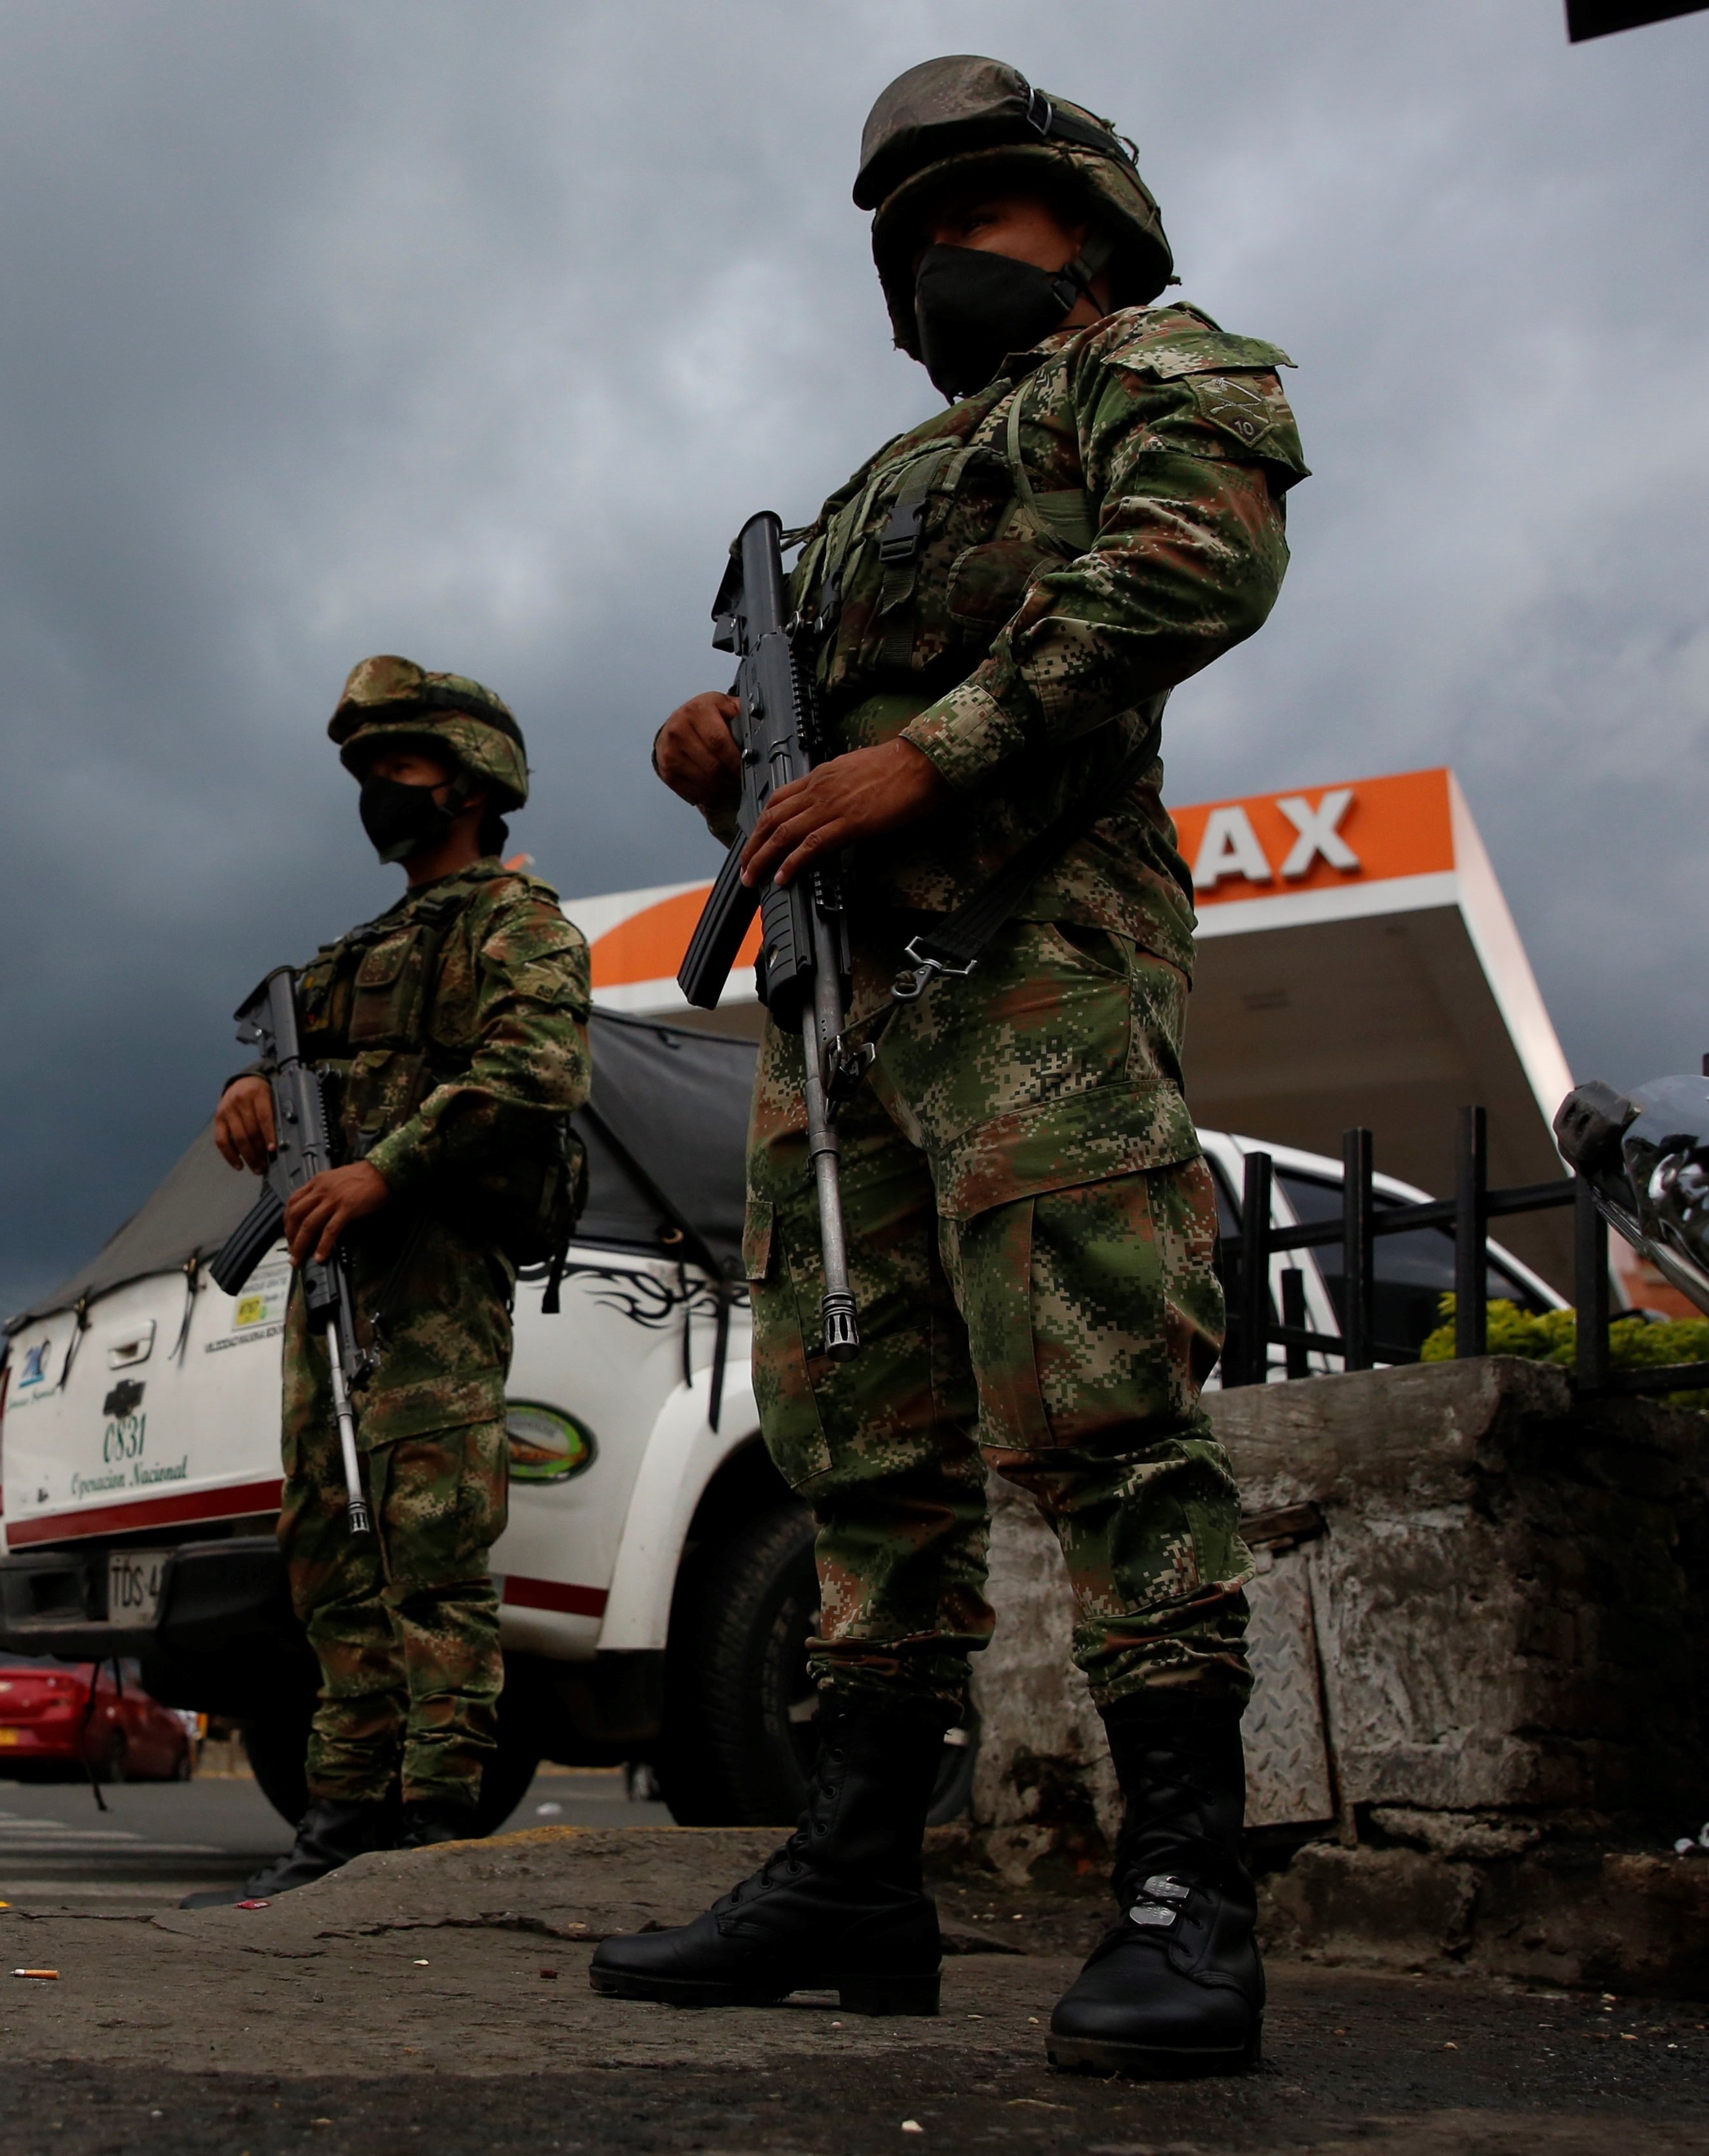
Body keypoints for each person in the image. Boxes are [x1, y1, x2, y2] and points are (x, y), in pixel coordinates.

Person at [591, 57, 1306, 2081]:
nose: (931, 267)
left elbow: (1189, 563)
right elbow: (818, 728)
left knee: (1098, 1397)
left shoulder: (1145, 373)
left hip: (1030, 962)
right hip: (852, 1017)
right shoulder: (867, 499)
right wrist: (735, 754)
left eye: (971, 224)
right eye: (907, 245)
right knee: (857, 1441)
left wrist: (936, 751)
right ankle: (852, 1865)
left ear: (1081, 229)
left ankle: (1187, 1892)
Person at [182, 656, 591, 1905]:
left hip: (434, 1280)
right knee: (328, 1543)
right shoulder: (350, 956)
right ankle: (342, 1812)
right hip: (334, 1287)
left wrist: (387, 1173)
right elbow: (288, 1072)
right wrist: (249, 1095)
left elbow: (535, 1071)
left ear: (468, 786)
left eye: (396, 772)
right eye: (366, 776)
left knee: (432, 1546)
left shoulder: (518, 925)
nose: (376, 794)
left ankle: (438, 1822)